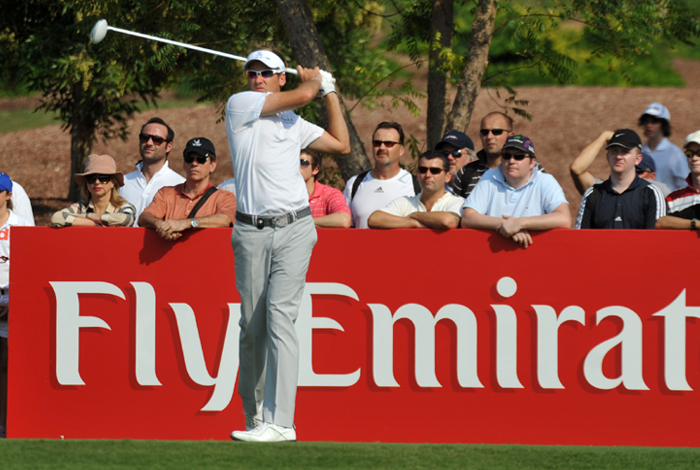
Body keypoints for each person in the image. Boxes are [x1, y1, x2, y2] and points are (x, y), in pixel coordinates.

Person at [226, 48, 350, 442]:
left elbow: (342, 144)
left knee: (280, 316)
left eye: (266, 73)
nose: (257, 78)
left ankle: (282, 423)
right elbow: (302, 94)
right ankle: (255, 417)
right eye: (252, 72)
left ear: (280, 77)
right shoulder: (241, 106)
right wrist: (315, 80)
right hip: (251, 232)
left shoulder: (294, 124)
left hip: (296, 227)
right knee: (252, 327)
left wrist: (328, 90)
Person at [461, 135, 570, 248]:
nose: (511, 161)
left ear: (532, 163)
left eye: (519, 156)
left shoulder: (545, 181)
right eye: (507, 156)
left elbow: (564, 219)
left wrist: (520, 223)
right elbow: (467, 218)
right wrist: (504, 224)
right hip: (494, 253)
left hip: (535, 252)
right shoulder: (489, 176)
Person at [139, 137, 237, 240]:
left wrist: (187, 223)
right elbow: (144, 217)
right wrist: (161, 225)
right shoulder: (166, 193)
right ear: (184, 164)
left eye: (201, 159)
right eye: (189, 158)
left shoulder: (225, 197)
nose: (194, 163)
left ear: (212, 165)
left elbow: (225, 220)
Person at [575, 129, 666, 229]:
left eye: (625, 152)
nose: (618, 156)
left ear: (638, 159)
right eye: (614, 151)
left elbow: (656, 241)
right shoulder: (592, 194)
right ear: (608, 156)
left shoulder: (651, 194)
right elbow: (581, 240)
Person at [0, 173, 33, 438]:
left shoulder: (21, 225)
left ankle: (7, 423)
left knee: (8, 364)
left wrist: (16, 301)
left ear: (9, 195)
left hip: (12, 300)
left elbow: (30, 267)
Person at [344, 122, 419, 228]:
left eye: (389, 143)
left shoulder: (415, 185)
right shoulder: (354, 184)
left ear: (401, 150)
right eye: (377, 143)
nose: (382, 147)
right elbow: (346, 229)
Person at [368, 150, 464, 229]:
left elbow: (448, 222)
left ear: (448, 176)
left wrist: (414, 215)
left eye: (435, 171)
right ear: (417, 175)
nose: (427, 175)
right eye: (423, 170)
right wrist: (412, 223)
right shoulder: (405, 202)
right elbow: (374, 219)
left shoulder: (458, 202)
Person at [120, 117, 185, 224]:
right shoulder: (122, 183)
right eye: (145, 137)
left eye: (157, 140)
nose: (149, 143)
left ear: (169, 146)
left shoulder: (180, 184)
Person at [570, 131, 671, 197]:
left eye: (638, 171)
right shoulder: (601, 190)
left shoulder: (659, 191)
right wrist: (604, 136)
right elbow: (577, 169)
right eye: (615, 151)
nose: (633, 174)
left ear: (652, 176)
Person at [50, 154, 136, 227]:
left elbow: (127, 219)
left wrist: (88, 216)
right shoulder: (80, 207)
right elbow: (57, 218)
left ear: (113, 182)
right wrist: (96, 224)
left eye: (103, 178)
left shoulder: (124, 207)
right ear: (86, 183)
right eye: (91, 178)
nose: (97, 182)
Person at [452, 112, 516, 198]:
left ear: (510, 136)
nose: (489, 137)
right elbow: (457, 210)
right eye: (485, 132)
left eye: (496, 132)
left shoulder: (530, 171)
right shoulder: (466, 173)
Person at [656, 130, 700, 229]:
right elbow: (660, 224)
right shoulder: (673, 198)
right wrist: (695, 224)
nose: (694, 158)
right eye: (690, 153)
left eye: (699, 153)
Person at [638, 102, 687, 191]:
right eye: (646, 121)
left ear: (664, 124)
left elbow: (685, 185)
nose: (649, 125)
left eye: (654, 121)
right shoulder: (640, 153)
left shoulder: (675, 154)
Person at [301, 149, 351, 228]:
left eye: (303, 162)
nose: (296, 166)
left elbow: (344, 220)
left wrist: (302, 224)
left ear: (315, 169)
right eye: (294, 162)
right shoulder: (282, 195)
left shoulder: (330, 194)